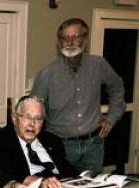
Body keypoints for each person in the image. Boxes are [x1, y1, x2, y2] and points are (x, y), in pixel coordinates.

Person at [31, 18, 126, 173]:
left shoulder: (99, 65)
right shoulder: (47, 74)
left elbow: (117, 87)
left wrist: (112, 117)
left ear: (85, 40)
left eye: (75, 37)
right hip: (61, 146)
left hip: (94, 144)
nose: (70, 42)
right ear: (59, 42)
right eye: (65, 38)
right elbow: (34, 108)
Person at [0, 95, 77, 188]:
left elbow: (69, 172)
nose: (32, 124)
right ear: (14, 119)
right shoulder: (0, 139)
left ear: (43, 122)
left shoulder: (52, 140)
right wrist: (38, 181)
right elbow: (2, 173)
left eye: (38, 118)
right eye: (27, 117)